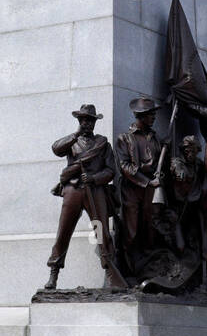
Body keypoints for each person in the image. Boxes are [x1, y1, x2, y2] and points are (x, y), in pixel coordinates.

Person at [45, 103, 126, 290]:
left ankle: (109, 272)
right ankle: (53, 274)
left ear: (95, 122)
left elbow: (111, 171)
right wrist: (75, 135)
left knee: (101, 231)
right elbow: (56, 149)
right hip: (73, 191)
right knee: (64, 232)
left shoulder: (103, 143)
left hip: (95, 192)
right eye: (83, 120)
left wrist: (93, 178)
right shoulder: (71, 142)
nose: (87, 123)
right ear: (79, 121)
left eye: (90, 120)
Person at [115, 96, 163, 273]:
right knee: (132, 229)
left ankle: (147, 267)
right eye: (151, 114)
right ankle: (129, 270)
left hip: (152, 189)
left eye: (154, 114)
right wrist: (148, 182)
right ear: (141, 116)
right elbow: (125, 167)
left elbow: (159, 164)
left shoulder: (156, 139)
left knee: (150, 228)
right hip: (133, 189)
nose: (154, 117)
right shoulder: (125, 138)